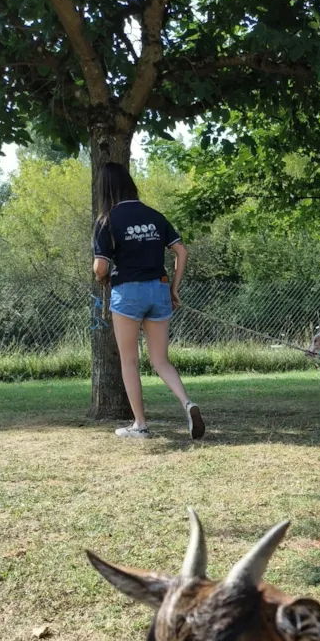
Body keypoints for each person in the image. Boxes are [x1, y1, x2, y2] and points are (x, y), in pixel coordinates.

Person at [92, 162, 204, 440]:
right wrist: (174, 289)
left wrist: (100, 278)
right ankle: (187, 403)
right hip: (159, 289)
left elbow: (100, 268)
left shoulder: (107, 220)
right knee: (160, 360)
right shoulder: (154, 215)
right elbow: (181, 251)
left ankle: (140, 425)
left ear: (105, 189)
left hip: (128, 292)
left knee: (129, 361)